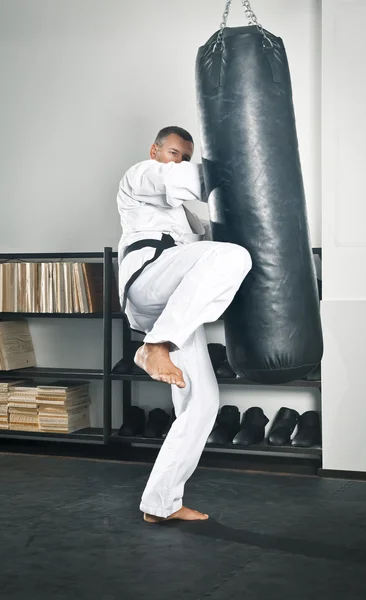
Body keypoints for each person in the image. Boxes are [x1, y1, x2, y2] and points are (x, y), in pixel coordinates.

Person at [117, 126, 252, 523]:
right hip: (147, 282)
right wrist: (241, 166)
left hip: (172, 309)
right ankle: (154, 348)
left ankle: (161, 505)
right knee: (233, 258)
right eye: (174, 152)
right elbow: (179, 179)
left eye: (185, 156)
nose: (179, 160)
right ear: (155, 150)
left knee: (203, 402)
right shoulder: (139, 176)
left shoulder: (187, 217)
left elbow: (207, 249)